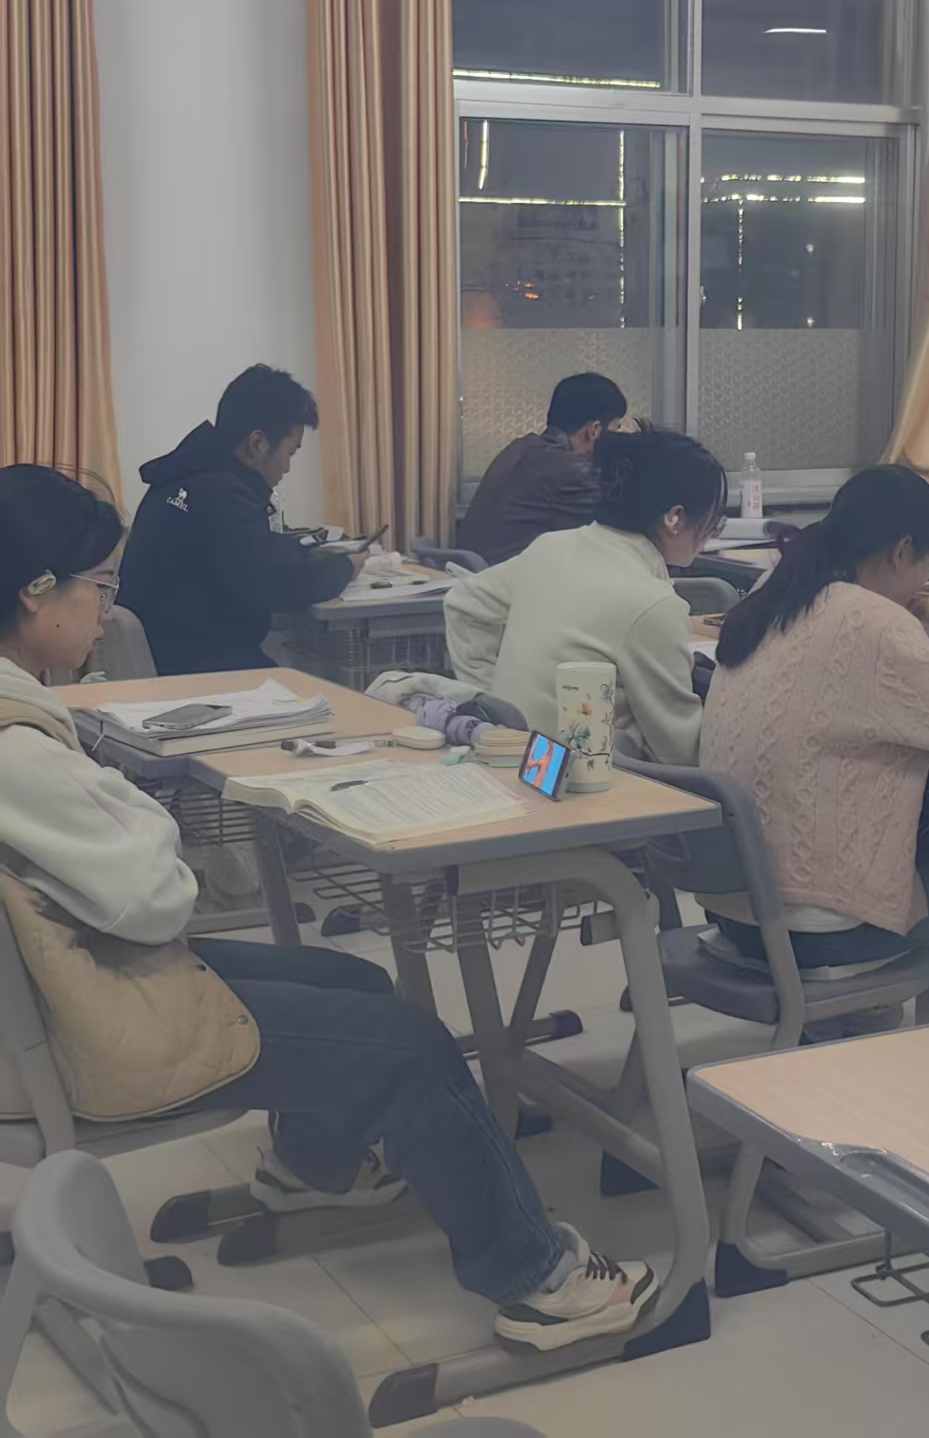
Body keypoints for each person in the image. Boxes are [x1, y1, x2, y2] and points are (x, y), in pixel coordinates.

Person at [0, 464, 656, 1351]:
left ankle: (310, 1170)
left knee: (351, 981)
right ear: (37, 594)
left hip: (57, 986)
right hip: (69, 1026)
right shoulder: (18, 748)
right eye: (101, 588)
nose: (106, 612)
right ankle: (539, 1281)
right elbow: (156, 899)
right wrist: (138, 812)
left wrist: (116, 805)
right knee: (411, 1045)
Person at [701, 464, 929, 1021]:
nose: (927, 582)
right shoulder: (876, 624)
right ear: (903, 551)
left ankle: (860, 1033)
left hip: (733, 911)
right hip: (813, 929)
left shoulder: (774, 594)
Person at [447, 426, 725, 765]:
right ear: (675, 517)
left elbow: (464, 602)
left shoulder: (552, 547)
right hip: (588, 775)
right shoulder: (651, 603)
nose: (710, 535)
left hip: (516, 756)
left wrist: (498, 701)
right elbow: (681, 749)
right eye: (713, 522)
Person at [119, 366, 360, 675]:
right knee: (324, 682)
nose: (287, 468)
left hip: (175, 659)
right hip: (199, 675)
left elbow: (257, 555)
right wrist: (347, 566)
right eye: (290, 452)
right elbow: (285, 584)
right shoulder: (220, 495)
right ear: (258, 443)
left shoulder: (183, 478)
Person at [458, 373, 628, 565]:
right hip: (507, 576)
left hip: (478, 571)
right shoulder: (571, 469)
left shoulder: (521, 448)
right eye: (616, 429)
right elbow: (629, 515)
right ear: (595, 431)